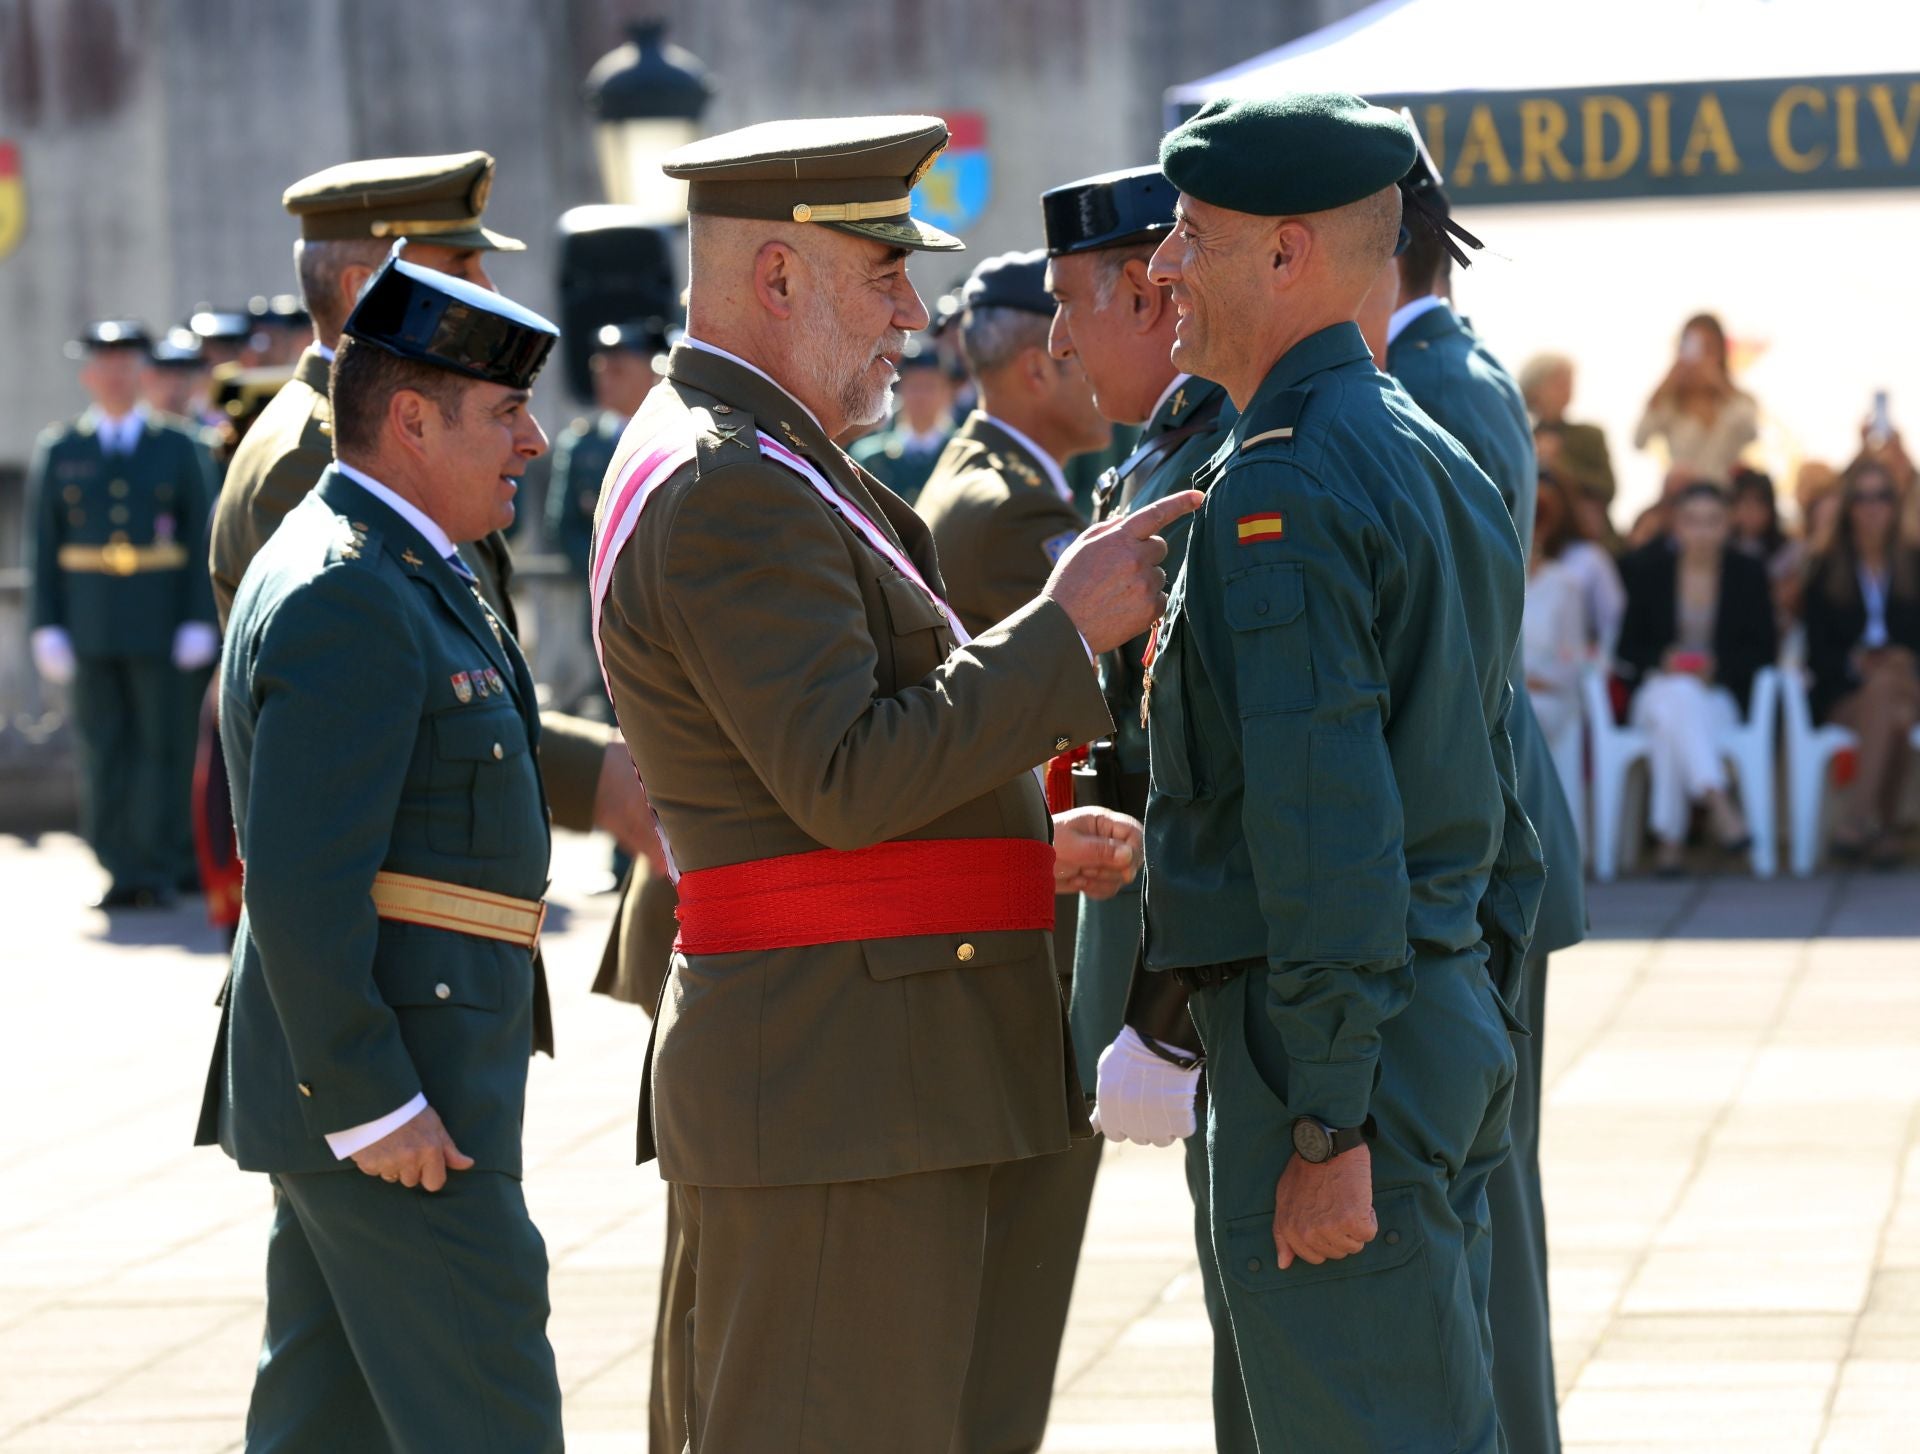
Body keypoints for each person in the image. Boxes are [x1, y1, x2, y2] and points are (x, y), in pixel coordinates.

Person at [590, 113, 1195, 1454]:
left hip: (835, 1077)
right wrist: (1063, 623)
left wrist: (1013, 849)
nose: (911, 316)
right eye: (882, 276)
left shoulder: (757, 453)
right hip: (831, 1092)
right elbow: (843, 774)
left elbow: (788, 796)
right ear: (779, 278)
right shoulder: (731, 483)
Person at [1142, 92, 1544, 1454]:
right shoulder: (1420, 448)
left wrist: (1328, 1116)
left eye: (1191, 236)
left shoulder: (1285, 488)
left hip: (1334, 1051)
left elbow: (1328, 828)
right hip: (1418, 1018)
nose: (1162, 271)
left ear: (1287, 251)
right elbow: (1498, 798)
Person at [198, 256, 564, 1451]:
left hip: (394, 1077)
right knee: (489, 1402)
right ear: (412, 419)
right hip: (396, 1092)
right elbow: (301, 882)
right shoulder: (350, 585)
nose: (535, 440)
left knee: (323, 1420)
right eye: (506, 412)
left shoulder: (396, 561)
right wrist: (369, 1097)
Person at [206, 150, 658, 1056]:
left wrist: (601, 775)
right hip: (394, 977)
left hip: (426, 957)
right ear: (364, 282)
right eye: (458, 269)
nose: (488, 286)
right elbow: (366, 729)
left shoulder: (362, 433)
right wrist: (365, 1086)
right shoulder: (322, 456)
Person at [1375, 128, 1585, 1454]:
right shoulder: (1443, 371)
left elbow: (1449, 655)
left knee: (1486, 1192)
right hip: (1482, 830)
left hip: (1475, 838)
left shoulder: (1436, 382)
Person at [1040, 161, 1251, 1451]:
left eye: (1072, 306)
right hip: (1180, 939)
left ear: (1141, 294)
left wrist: (1164, 1014)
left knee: (1270, 1327)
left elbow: (1209, 761)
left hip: (1226, 960)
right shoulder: (1162, 450)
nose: (1057, 341)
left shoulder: (1207, 457)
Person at [27, 321, 219, 908]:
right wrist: (47, 624)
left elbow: (201, 538)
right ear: (88, 374)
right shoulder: (62, 449)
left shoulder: (179, 447)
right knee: (101, 746)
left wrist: (198, 617)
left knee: (163, 745)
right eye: (103, 363)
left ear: (145, 373)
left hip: (161, 621)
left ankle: (160, 865)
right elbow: (42, 545)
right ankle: (117, 865)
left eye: (127, 363)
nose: (115, 375)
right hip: (90, 623)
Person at [917, 249, 1110, 634]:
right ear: (1037, 371)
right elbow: (1079, 682)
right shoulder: (1021, 512)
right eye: (1081, 353)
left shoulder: (973, 461)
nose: (1103, 370)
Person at [1617, 482, 1779, 874]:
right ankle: (1717, 799)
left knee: (1677, 710)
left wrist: (1717, 667)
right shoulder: (1649, 573)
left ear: (1727, 525)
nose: (1702, 532)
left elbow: (1764, 650)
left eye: (1712, 521)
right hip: (1655, 693)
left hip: (1718, 699)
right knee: (1674, 694)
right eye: (1692, 521)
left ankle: (1670, 842)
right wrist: (1663, 659)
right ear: (1676, 525)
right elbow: (1626, 649)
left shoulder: (1748, 574)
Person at [1803, 459, 1920, 867]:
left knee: (1893, 684)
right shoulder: (1824, 568)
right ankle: (1883, 829)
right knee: (1895, 708)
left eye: (1883, 497)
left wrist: (1904, 658)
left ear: (1896, 504)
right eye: (1863, 498)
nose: (1873, 508)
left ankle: (1858, 819)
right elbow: (1816, 653)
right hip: (1847, 692)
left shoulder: (1915, 564)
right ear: (1849, 507)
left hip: (1910, 682)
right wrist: (1857, 664)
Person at [1634, 313, 1759, 483]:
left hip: (1727, 497)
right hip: (1682, 497)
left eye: (1709, 348)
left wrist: (1722, 387)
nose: (1701, 359)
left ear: (1721, 352)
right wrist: (1663, 387)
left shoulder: (1738, 400)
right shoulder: (1671, 402)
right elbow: (1639, 440)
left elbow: (1751, 433)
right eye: (1694, 347)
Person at [849, 337, 959, 503]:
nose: (921, 396)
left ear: (947, 393)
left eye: (930, 386)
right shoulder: (871, 457)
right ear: (898, 390)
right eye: (914, 386)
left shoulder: (960, 453)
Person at [1521, 350, 1616, 505]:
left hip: (1580, 528)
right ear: (1534, 390)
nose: (1567, 389)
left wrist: (1557, 464)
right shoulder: (1524, 440)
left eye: (1568, 382)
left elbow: (1607, 489)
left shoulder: (1589, 436)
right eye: (1558, 383)